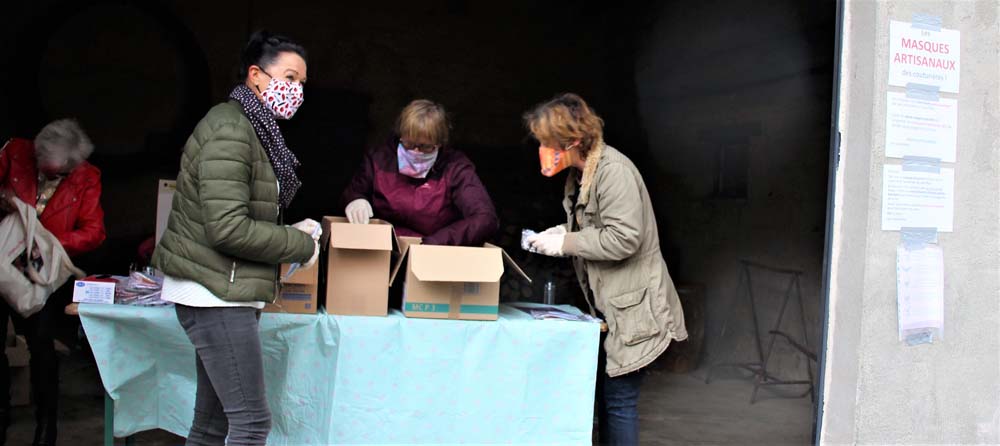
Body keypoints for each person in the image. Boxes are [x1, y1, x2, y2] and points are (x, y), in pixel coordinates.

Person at [151, 31, 319, 446]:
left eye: (302, 83)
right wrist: (300, 245)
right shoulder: (231, 129)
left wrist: (291, 231)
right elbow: (227, 228)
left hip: (220, 289)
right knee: (251, 423)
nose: (296, 91)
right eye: (289, 78)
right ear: (256, 75)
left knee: (211, 427)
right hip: (214, 293)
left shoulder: (252, 128)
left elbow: (238, 214)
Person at [524, 93, 687, 446]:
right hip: (611, 307)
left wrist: (566, 243)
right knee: (606, 403)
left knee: (619, 404)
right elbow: (595, 228)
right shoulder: (581, 173)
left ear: (573, 141)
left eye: (548, 142)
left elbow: (623, 238)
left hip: (635, 310)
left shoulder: (614, 172)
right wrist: (561, 234)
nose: (543, 149)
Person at [0, 119, 106, 445]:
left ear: (73, 167)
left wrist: (48, 243)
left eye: (56, 173)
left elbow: (94, 232)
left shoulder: (87, 177)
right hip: (4, 262)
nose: (47, 176)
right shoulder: (14, 153)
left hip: (41, 274)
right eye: (42, 168)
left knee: (42, 345)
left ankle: (46, 429)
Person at [341, 99, 498, 246]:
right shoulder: (379, 159)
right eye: (409, 144)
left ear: (440, 143)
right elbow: (354, 190)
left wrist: (437, 242)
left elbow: (485, 218)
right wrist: (355, 199)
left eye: (425, 147)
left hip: (431, 251)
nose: (415, 152)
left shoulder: (455, 168)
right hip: (382, 247)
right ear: (400, 136)